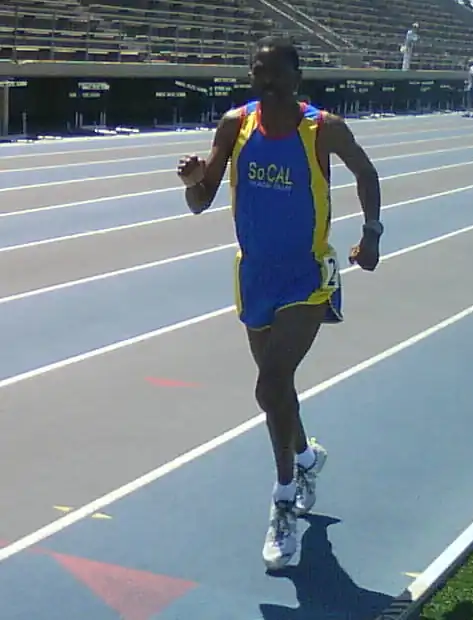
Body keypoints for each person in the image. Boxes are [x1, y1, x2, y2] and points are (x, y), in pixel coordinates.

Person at [177, 36, 383, 570]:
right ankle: (307, 457)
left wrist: (372, 232)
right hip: (255, 276)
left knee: (269, 384)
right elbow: (201, 202)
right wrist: (193, 181)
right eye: (258, 72)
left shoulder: (323, 128)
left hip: (305, 276)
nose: (265, 82)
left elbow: (366, 173)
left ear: (296, 77)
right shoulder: (235, 125)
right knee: (278, 390)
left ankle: (284, 499)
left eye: (275, 73)